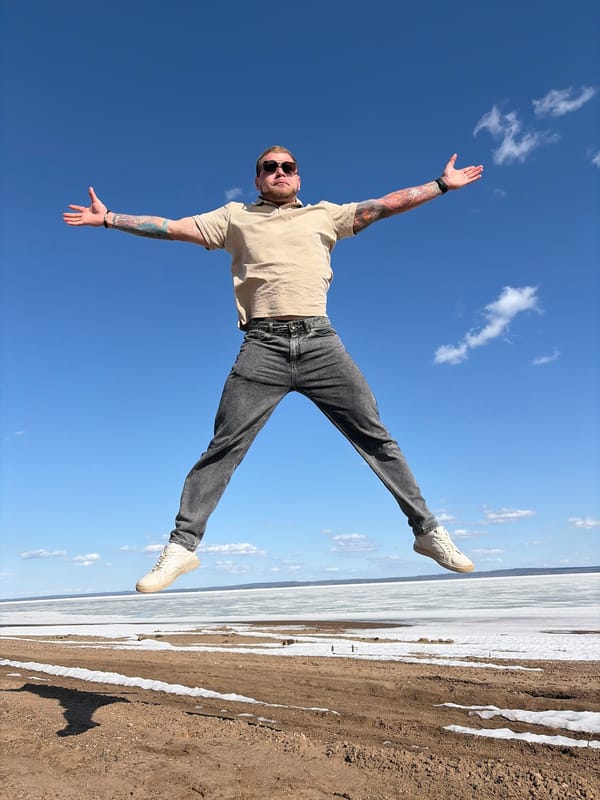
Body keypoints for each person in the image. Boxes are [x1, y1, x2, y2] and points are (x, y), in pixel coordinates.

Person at [64, 146, 483, 593]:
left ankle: (427, 532)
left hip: (321, 343)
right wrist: (109, 219)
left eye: (288, 167)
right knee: (224, 446)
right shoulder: (233, 217)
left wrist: (440, 185)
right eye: (270, 168)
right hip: (260, 347)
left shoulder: (326, 215)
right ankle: (182, 548)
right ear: (258, 180)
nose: (280, 172)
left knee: (376, 436)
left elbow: (384, 205)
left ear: (298, 178)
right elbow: (171, 228)